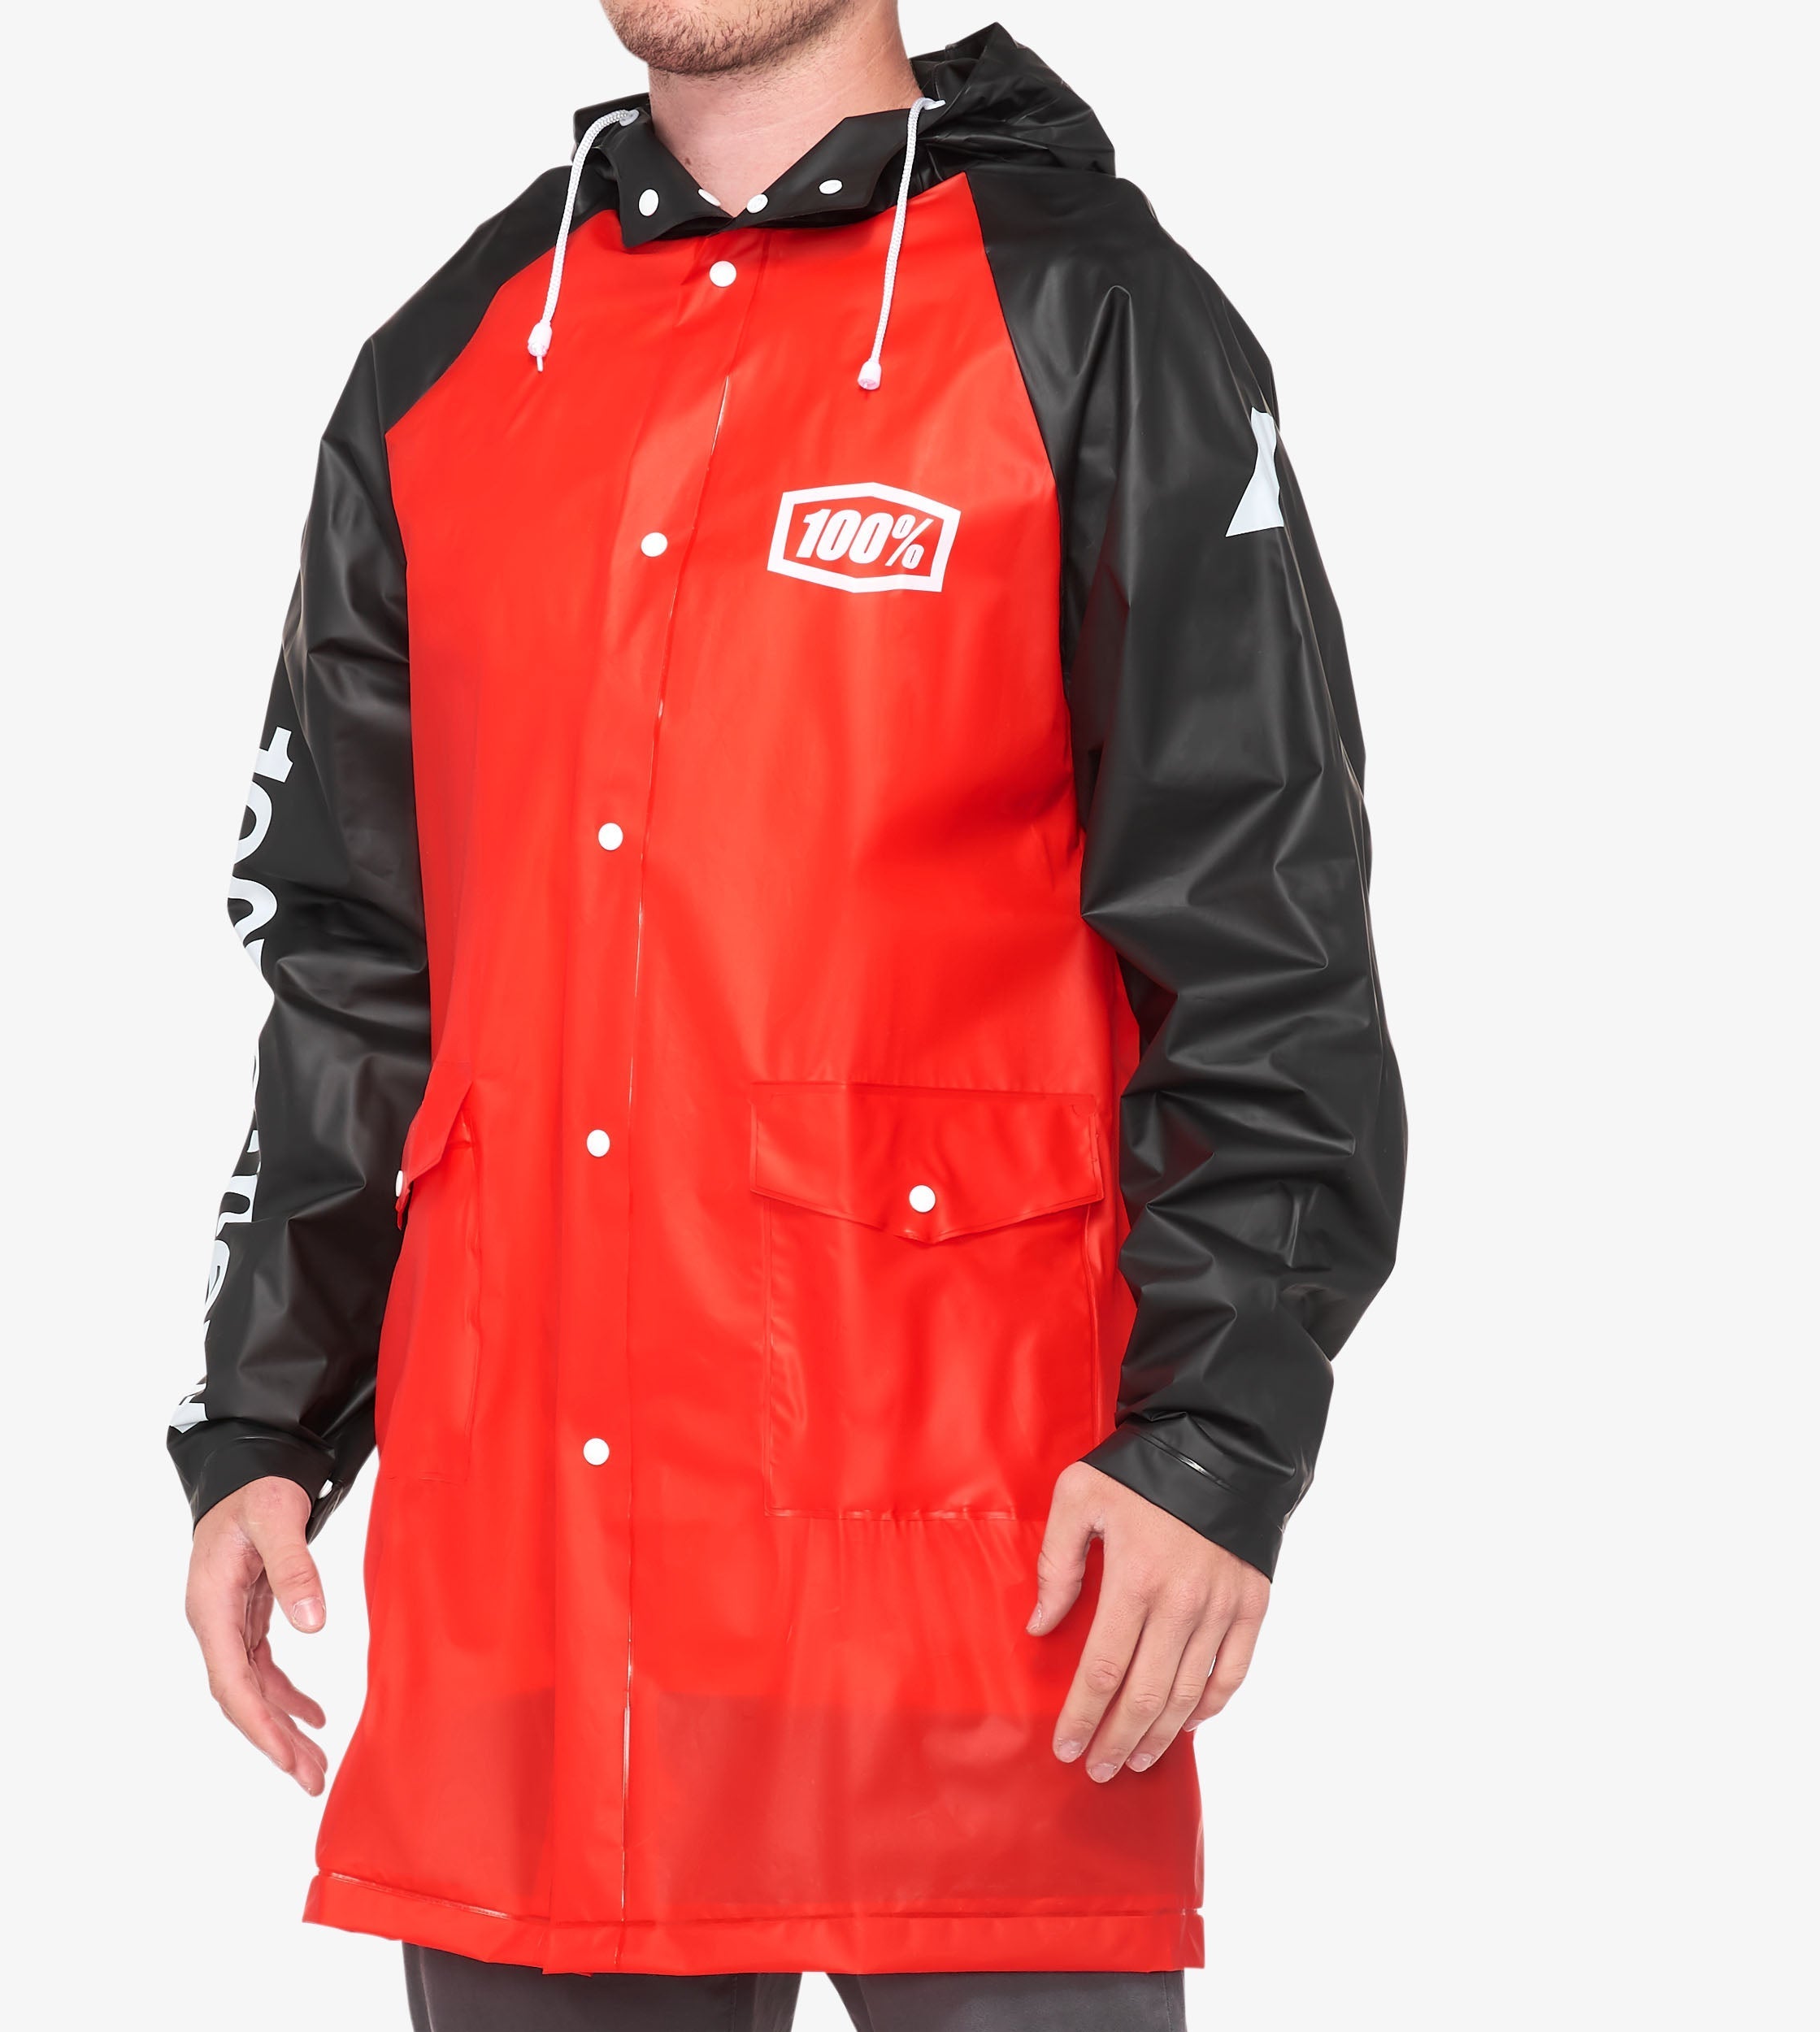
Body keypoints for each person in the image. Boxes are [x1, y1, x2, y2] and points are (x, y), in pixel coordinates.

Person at [169, 6, 1405, 2026]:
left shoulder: (1091, 315)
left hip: (983, 1570)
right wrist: (264, 1419)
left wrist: (1215, 1432)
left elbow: (1260, 921)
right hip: (531, 1597)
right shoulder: (456, 352)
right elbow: (351, 948)